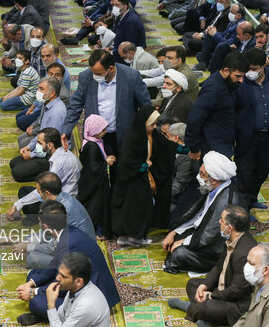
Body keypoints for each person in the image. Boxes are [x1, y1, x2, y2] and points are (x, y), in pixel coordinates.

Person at [168, 205, 257, 326]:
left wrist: (211, 295)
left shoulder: (244, 253)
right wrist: (205, 285)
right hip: (223, 287)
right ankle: (207, 317)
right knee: (193, 285)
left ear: (229, 228)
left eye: (222, 220)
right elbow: (219, 266)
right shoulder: (233, 238)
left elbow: (236, 291)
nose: (219, 222)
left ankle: (193, 309)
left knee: (205, 307)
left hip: (236, 304)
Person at [60, 49, 151, 162]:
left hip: (124, 134)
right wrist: (66, 130)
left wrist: (145, 133)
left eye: (99, 74)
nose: (95, 76)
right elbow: (75, 105)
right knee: (96, 170)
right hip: (97, 136)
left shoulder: (131, 76)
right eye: (93, 72)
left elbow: (146, 106)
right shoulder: (86, 76)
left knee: (120, 172)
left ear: (111, 69)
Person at [163, 151, 247, 274]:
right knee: (174, 235)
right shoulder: (214, 188)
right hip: (203, 232)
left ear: (213, 179)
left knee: (178, 253)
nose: (199, 177)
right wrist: (175, 233)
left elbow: (209, 236)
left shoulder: (225, 202)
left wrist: (184, 242)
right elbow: (199, 215)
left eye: (202, 174)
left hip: (217, 248)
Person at [111, 106, 178, 245]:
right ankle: (134, 237)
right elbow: (126, 163)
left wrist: (189, 149)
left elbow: (169, 146)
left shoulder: (152, 135)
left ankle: (134, 235)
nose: (154, 127)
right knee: (139, 205)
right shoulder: (133, 138)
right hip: (131, 178)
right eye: (151, 124)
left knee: (144, 204)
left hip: (141, 177)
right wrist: (144, 166)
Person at [234, 48, 269, 208]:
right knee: (244, 173)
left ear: (264, 65)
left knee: (262, 171)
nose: (250, 72)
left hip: (268, 135)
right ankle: (243, 210)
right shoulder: (240, 82)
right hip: (246, 136)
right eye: (248, 68)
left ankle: (252, 199)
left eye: (255, 69)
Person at [9, 128, 82, 222]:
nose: (37, 145)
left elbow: (47, 189)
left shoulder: (59, 162)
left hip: (64, 202)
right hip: (57, 192)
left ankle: (42, 218)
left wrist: (17, 205)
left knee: (29, 207)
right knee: (23, 191)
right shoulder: (59, 154)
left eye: (40, 143)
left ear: (50, 145)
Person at [186, 52, 249, 160]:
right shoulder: (213, 89)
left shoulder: (229, 84)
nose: (241, 80)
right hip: (213, 149)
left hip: (223, 144)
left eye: (243, 77)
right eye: (238, 76)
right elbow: (195, 119)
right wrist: (194, 148)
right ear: (226, 70)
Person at [13, 78, 67, 182]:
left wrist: (32, 155)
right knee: (14, 164)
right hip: (42, 146)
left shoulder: (57, 112)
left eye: (41, 89)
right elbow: (41, 134)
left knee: (17, 173)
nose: (38, 92)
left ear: (51, 93)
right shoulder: (47, 104)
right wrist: (29, 147)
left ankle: (50, 173)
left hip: (50, 155)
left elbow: (50, 145)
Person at [44, 252, 110, 327]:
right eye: (59, 273)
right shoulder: (75, 289)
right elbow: (62, 315)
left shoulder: (85, 306)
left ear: (79, 281)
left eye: (63, 276)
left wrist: (51, 304)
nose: (57, 278)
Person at [77, 115, 116, 239]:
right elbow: (93, 168)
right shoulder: (92, 147)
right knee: (98, 208)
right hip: (95, 185)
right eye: (102, 130)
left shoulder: (90, 142)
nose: (105, 132)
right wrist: (106, 162)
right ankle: (99, 232)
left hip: (92, 182)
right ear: (94, 130)